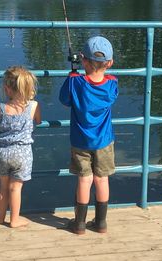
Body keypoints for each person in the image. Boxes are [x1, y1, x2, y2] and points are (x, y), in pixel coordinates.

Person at [59, 36, 118, 234]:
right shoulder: (112, 84)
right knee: (102, 179)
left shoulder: (75, 83)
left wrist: (73, 73)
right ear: (109, 63)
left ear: (83, 60)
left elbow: (64, 100)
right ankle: (101, 223)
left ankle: (79, 224)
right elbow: (109, 88)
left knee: (84, 180)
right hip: (104, 141)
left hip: (80, 141)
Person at [0, 66, 41, 228]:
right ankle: (14, 219)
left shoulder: (1, 108)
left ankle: (0, 217)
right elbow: (39, 121)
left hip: (3, 153)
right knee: (16, 188)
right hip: (23, 154)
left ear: (7, 89)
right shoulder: (33, 106)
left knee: (3, 187)